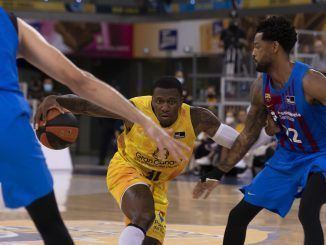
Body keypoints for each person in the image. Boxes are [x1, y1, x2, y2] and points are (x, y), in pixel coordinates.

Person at [0, 8, 188, 245]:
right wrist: (144, 121)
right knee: (51, 227)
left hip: (8, 117)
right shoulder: (9, 22)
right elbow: (80, 80)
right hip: (8, 120)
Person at [38, 77, 240, 245]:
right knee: (143, 214)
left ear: (181, 101)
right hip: (127, 169)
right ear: (152, 99)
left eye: (171, 102)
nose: (165, 107)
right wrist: (57, 100)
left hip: (159, 185)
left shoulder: (198, 118)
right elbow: (88, 105)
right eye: (159, 101)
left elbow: (239, 143)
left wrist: (269, 138)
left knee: (149, 239)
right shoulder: (134, 109)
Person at [193, 16, 326, 245]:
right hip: (288, 157)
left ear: (274, 47)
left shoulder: (311, 81)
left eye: (256, 46)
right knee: (237, 217)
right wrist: (218, 172)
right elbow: (248, 135)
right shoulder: (260, 88)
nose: (252, 52)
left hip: (322, 155)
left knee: (308, 212)